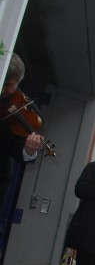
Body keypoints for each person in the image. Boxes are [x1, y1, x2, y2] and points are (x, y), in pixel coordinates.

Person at [0, 53, 44, 209]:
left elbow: (17, 148)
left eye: (10, 84)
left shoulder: (26, 110)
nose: (5, 89)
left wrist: (29, 150)